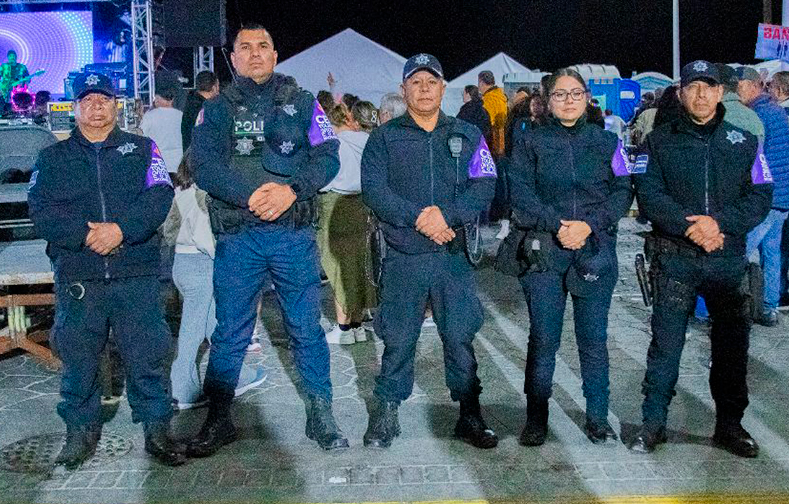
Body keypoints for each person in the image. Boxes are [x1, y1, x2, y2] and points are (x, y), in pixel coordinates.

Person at [187, 24, 347, 455]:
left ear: (275, 56)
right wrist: (251, 196)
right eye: (245, 48)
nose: (255, 54)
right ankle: (219, 420)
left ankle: (321, 414)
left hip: (292, 234)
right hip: (240, 237)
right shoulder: (216, 110)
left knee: (306, 329)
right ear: (233, 58)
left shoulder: (304, 104)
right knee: (230, 333)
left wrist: (290, 191)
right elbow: (201, 164)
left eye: (263, 47)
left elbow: (328, 157)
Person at [27, 72, 185, 469]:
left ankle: (157, 430)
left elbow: (160, 195)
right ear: (75, 108)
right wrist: (85, 236)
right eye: (88, 100)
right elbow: (41, 211)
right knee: (79, 360)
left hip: (135, 273)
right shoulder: (52, 158)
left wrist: (121, 231)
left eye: (104, 99)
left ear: (117, 106)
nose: (96, 106)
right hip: (80, 275)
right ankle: (80, 434)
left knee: (148, 355)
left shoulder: (144, 149)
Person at [630, 61, 772, 457]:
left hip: (727, 261)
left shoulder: (744, 142)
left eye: (708, 87)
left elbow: (761, 195)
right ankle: (652, 424)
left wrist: (719, 224)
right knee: (665, 347)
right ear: (681, 93)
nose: (701, 95)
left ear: (720, 92)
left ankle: (730, 426)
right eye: (693, 87)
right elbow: (649, 194)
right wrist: (689, 226)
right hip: (676, 260)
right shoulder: (658, 142)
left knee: (731, 351)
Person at [361, 53, 498, 450]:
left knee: (459, 337)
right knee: (399, 338)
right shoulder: (383, 138)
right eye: (415, 82)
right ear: (403, 90)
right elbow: (374, 189)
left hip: (452, 257)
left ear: (443, 88)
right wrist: (418, 218)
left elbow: (486, 183)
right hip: (405, 256)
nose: (424, 89)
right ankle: (386, 413)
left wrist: (448, 216)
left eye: (431, 82)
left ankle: (470, 413)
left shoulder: (468, 134)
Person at [508, 68, 633, 446]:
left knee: (593, 340)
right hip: (546, 252)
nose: (568, 101)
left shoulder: (608, 141)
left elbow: (623, 191)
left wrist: (588, 225)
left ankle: (597, 416)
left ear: (587, 97)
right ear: (546, 100)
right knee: (544, 339)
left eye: (575, 93)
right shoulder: (529, 142)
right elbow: (520, 194)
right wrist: (559, 224)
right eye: (560, 94)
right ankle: (536, 417)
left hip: (593, 251)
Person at [169, 151, 267, 410]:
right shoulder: (203, 197)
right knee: (192, 331)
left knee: (214, 324)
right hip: (202, 267)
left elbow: (169, 230)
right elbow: (205, 239)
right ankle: (183, 389)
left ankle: (238, 375)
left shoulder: (180, 192)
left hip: (181, 262)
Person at [318, 101, 379, 344]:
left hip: (336, 205)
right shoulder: (367, 141)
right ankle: (357, 325)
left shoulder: (334, 144)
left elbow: (324, 180)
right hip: (362, 205)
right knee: (359, 266)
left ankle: (344, 328)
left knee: (337, 268)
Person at [736, 66, 789, 326]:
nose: (738, 91)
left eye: (740, 86)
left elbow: (757, 158)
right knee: (771, 252)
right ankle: (769, 308)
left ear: (753, 85)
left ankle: (732, 306)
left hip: (768, 196)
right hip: (782, 196)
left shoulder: (759, 115)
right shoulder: (777, 111)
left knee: (743, 250)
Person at [140, 86, 184, 172]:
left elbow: (142, 136)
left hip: (158, 162)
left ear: (157, 98)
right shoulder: (181, 115)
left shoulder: (150, 116)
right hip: (178, 162)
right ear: (172, 100)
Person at [182, 71, 219, 150]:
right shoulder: (208, 108)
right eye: (218, 86)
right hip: (203, 155)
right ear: (214, 88)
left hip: (191, 154)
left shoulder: (190, 103)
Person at [478, 70, 508, 158]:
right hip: (502, 142)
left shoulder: (488, 100)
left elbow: (485, 124)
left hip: (491, 144)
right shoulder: (501, 97)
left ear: (482, 82)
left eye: (479, 82)